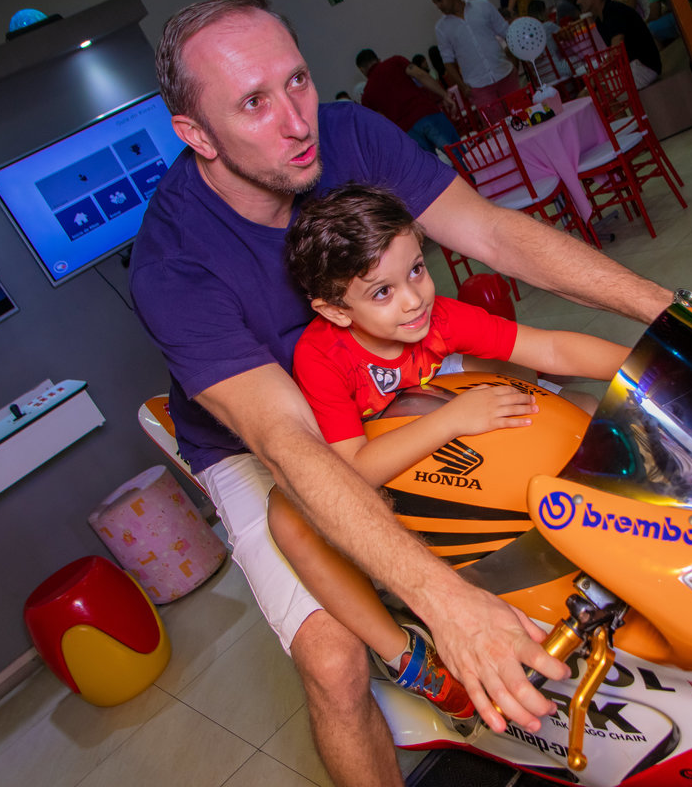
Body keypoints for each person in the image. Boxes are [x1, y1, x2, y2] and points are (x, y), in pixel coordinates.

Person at [129, 0, 673, 787]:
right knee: (333, 659)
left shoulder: (348, 134)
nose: (296, 120)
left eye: (297, 82)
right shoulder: (174, 265)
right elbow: (292, 447)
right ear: (196, 135)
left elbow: (488, 231)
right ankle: (409, 661)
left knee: (554, 458)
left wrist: (677, 320)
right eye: (254, 103)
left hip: (390, 376)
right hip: (265, 439)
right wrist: (446, 609)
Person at [267, 183, 629, 725]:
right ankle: (405, 655)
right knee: (291, 516)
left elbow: (551, 347)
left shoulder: (433, 318)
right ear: (336, 311)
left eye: (416, 269)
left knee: (573, 400)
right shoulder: (321, 356)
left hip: (426, 410)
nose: (414, 298)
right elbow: (353, 471)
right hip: (375, 454)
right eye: (382, 292)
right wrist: (452, 421)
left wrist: (657, 360)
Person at [430, 0, 522, 110]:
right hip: (478, 88)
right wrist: (463, 87)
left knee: (524, 117)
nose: (438, 6)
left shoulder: (482, 5)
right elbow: (448, 62)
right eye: (435, 2)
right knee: (496, 128)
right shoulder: (441, 28)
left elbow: (507, 33)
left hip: (505, 74)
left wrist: (515, 61)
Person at [356, 48, 460, 155]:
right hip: (425, 112)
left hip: (407, 131)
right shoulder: (396, 62)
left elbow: (376, 123)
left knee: (431, 168)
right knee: (456, 152)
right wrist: (444, 95)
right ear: (377, 59)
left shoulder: (367, 94)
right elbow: (420, 75)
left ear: (362, 70)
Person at [576, 0, 662, 88]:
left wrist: (598, 75)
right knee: (590, 90)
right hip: (633, 66)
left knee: (595, 91)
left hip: (645, 67)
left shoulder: (613, 12)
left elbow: (615, 52)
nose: (578, 2)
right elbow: (614, 54)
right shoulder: (600, 21)